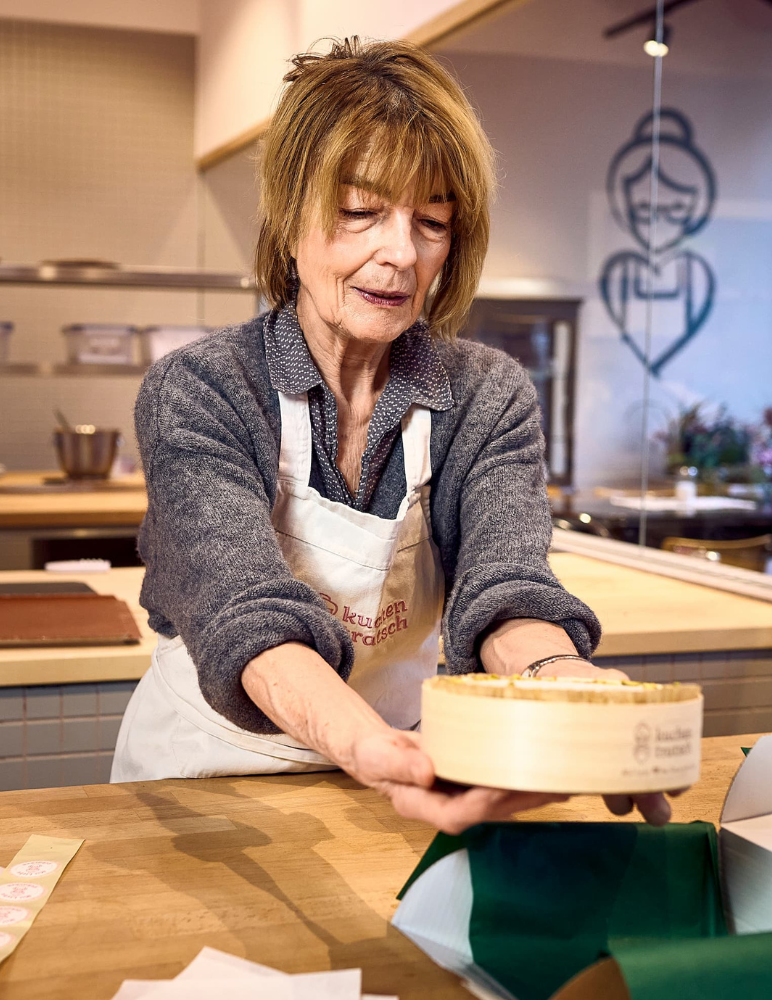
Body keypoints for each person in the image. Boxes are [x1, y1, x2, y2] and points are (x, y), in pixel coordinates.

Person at [111, 38, 673, 833]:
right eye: (360, 212)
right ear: (290, 216)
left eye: (432, 220)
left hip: (395, 775)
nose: (400, 254)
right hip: (209, 775)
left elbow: (506, 590)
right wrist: (370, 748)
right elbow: (246, 614)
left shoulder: (485, 395)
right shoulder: (203, 389)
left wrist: (564, 679)